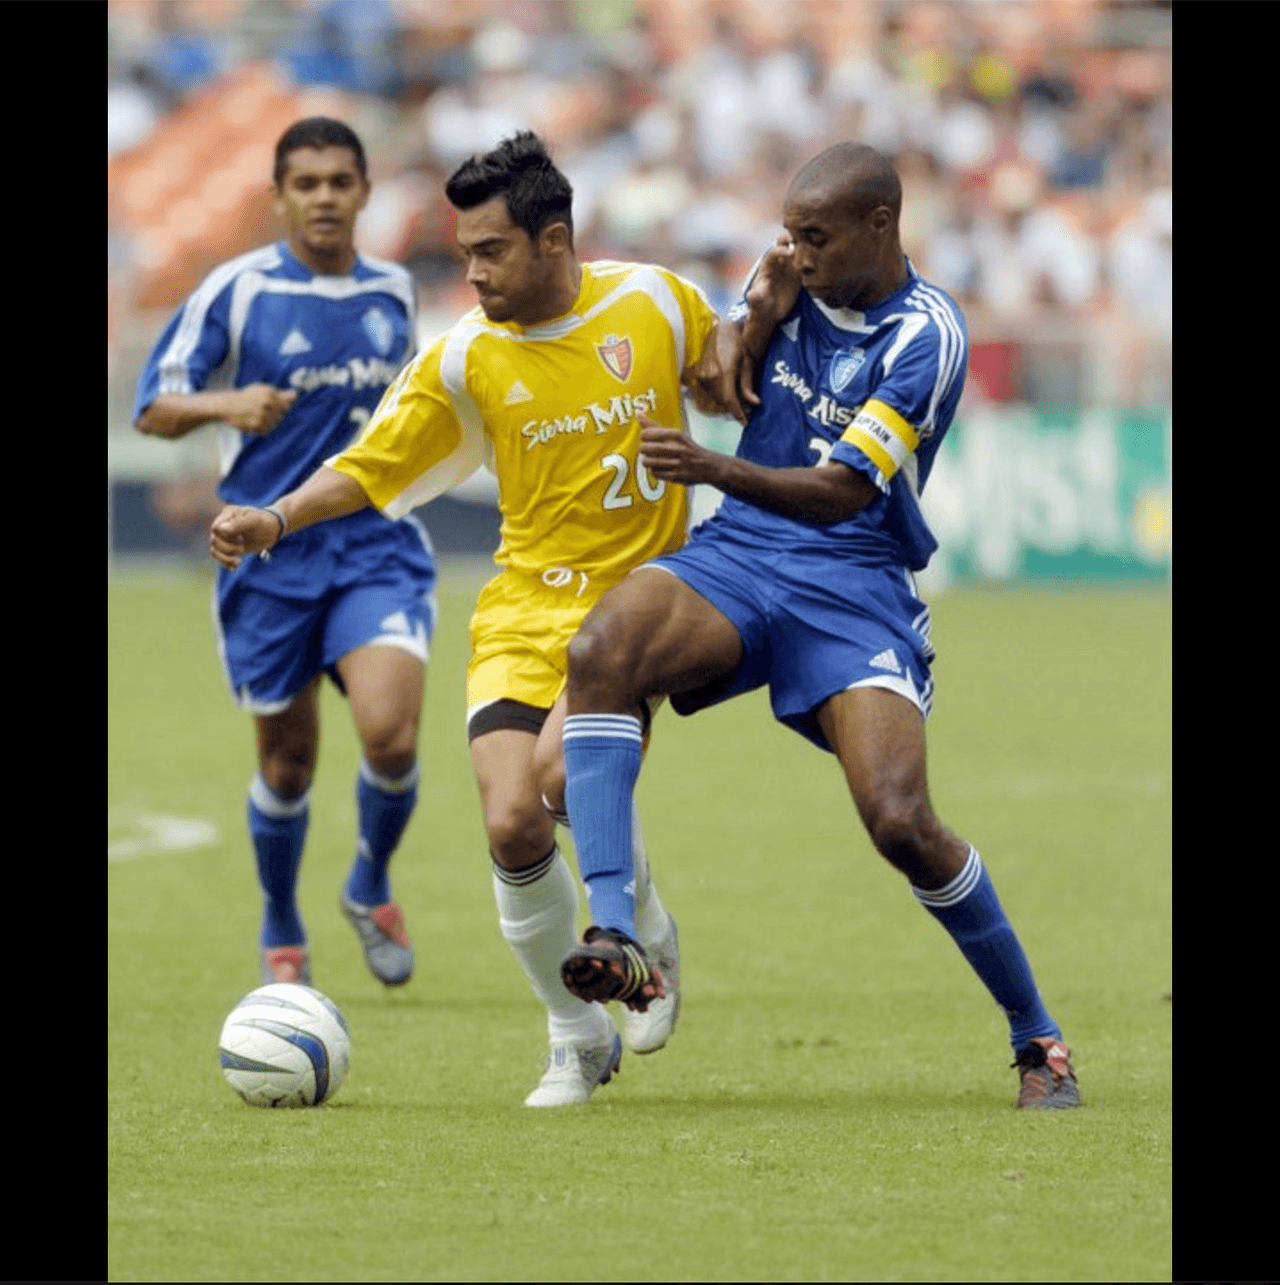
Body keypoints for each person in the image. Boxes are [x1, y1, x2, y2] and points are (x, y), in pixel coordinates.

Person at [207, 131, 778, 1107]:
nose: (470, 272)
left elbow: (726, 372)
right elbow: (373, 464)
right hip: (519, 611)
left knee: (560, 776)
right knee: (511, 821)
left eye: (489, 251)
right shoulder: (464, 356)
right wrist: (276, 517)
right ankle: (574, 1033)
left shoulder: (650, 301)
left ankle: (638, 921)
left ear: (553, 240)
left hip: (635, 612)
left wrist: (753, 321)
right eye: (462, 253)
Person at [553, 142, 1081, 1111]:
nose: (792, 252)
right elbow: (725, 386)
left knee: (899, 821)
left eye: (813, 236)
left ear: (879, 225)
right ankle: (617, 934)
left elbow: (841, 492)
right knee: (600, 652)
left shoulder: (926, 336)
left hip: (851, 579)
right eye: (787, 233)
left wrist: (713, 467)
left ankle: (1035, 1038)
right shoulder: (783, 277)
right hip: (742, 552)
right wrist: (743, 329)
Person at [134, 117, 437, 991]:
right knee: (288, 764)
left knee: (391, 734)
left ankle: (370, 881)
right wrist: (228, 406)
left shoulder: (395, 292)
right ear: (278, 198)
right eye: (306, 183)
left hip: (376, 544)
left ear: (365, 193)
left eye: (341, 181)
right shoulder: (236, 289)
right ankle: (280, 919)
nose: (325, 198)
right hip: (268, 562)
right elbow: (154, 406)